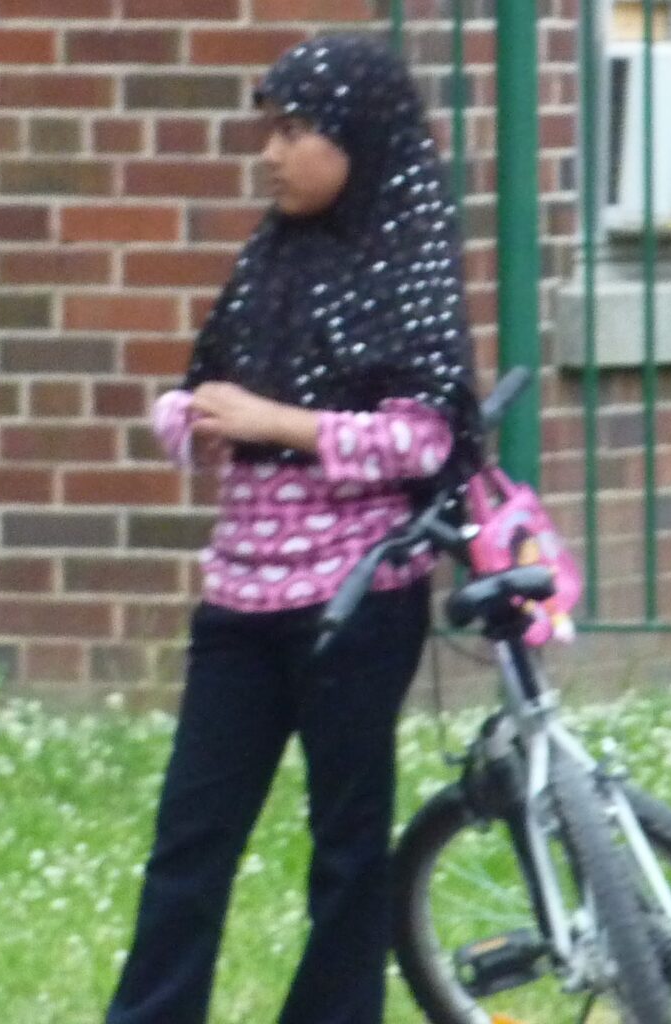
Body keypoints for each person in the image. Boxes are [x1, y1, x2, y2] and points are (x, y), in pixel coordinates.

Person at [104, 33, 482, 1024]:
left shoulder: (407, 266)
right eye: (269, 129)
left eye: (298, 130)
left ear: (361, 141)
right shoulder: (267, 259)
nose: (272, 152)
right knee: (190, 839)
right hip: (237, 601)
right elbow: (200, 392)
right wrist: (185, 416)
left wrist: (282, 424)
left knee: (348, 846)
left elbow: (425, 433)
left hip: (356, 604)